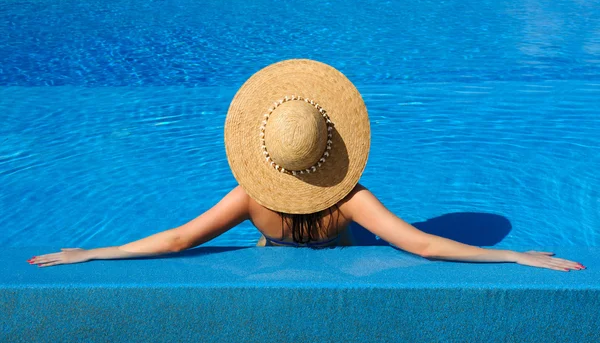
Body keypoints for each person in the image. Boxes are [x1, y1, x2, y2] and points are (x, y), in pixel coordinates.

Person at [27, 59, 585, 272]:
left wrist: (95, 250)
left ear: (266, 150)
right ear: (330, 146)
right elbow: (424, 245)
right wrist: (512, 255)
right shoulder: (350, 199)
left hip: (270, 259)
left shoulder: (249, 199)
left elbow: (178, 241)